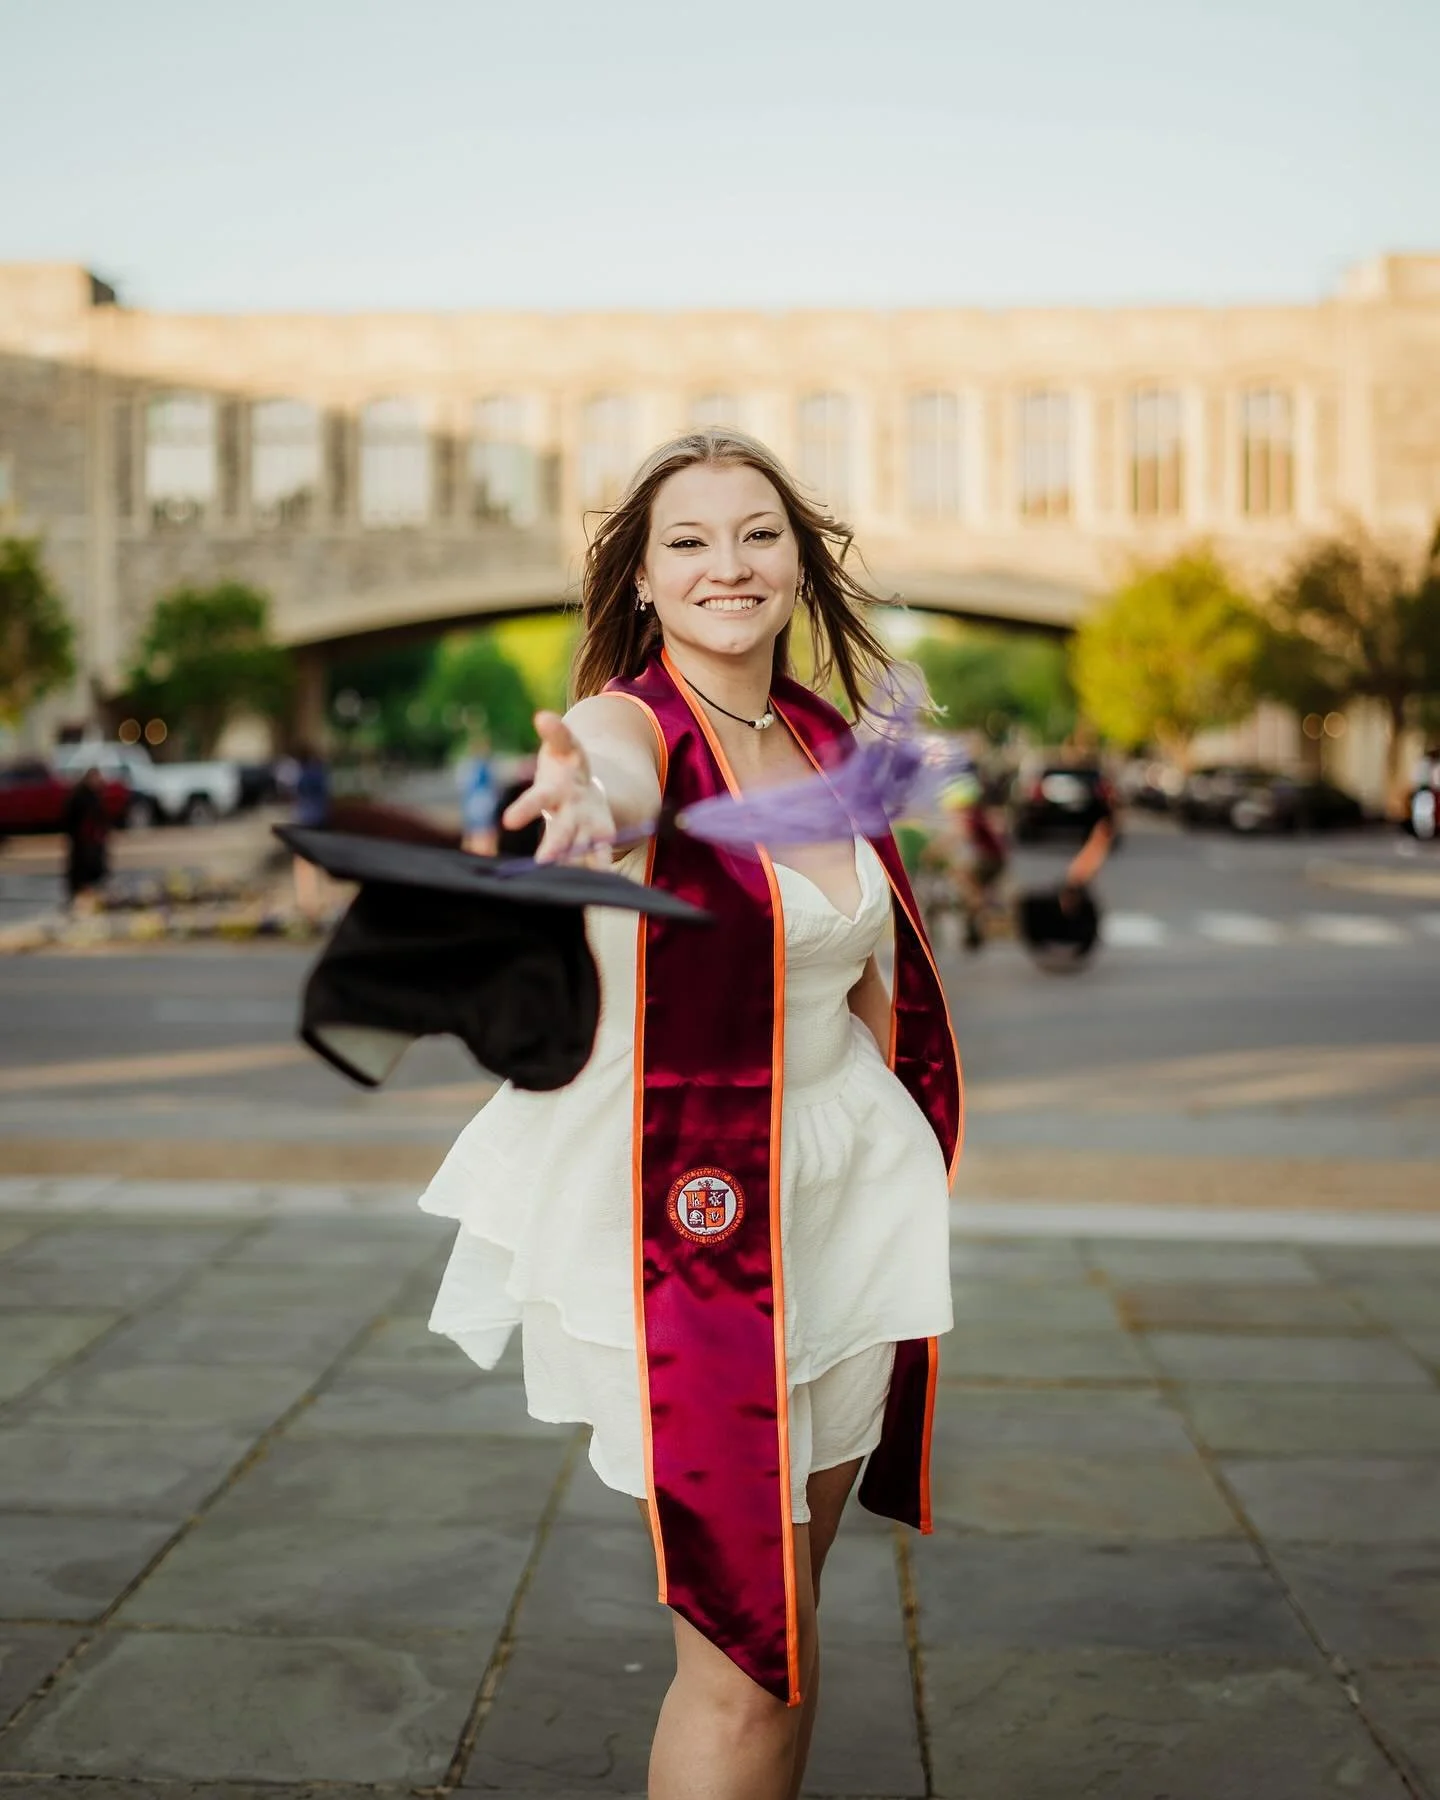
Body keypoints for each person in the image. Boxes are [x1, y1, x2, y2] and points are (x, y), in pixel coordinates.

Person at [418, 429, 962, 1800]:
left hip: (843, 1199)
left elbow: (875, 977)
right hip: (696, 1215)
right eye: (690, 541)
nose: (730, 564)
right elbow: (611, 770)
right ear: (646, 582)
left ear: (799, 561)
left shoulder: (833, 740)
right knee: (738, 1658)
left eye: (759, 533)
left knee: (789, 1628)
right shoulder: (637, 724)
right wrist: (581, 797)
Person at [61, 765, 111, 912]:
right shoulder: (80, 797)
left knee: (92, 876)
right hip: (84, 846)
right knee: (84, 876)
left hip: (93, 844)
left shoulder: (94, 796)